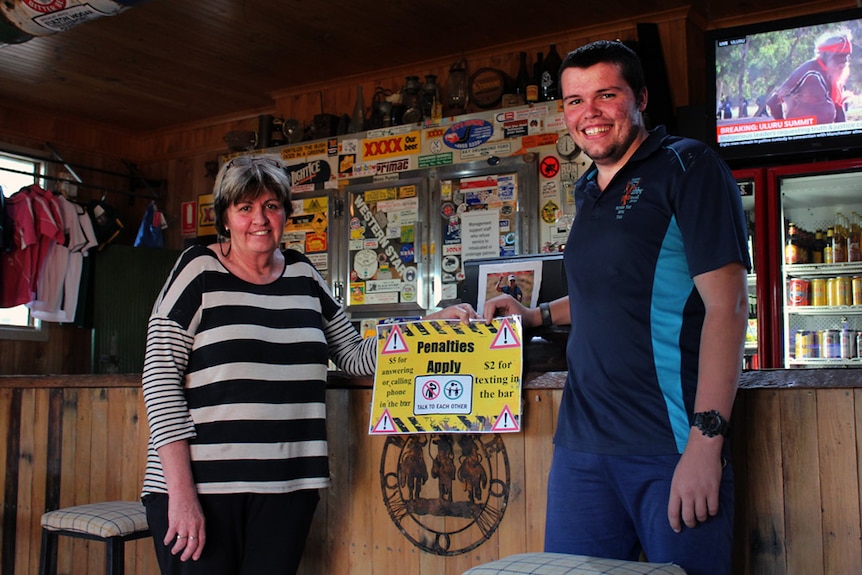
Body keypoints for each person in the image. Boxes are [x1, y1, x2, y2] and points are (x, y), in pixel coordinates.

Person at [483, 41, 749, 575]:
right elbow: (606, 293)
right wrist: (533, 315)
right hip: (582, 449)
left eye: (606, 94)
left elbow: (729, 306)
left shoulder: (687, 166)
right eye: (575, 100)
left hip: (667, 444)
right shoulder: (587, 188)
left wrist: (705, 442)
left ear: (641, 97)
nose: (590, 113)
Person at [140, 155, 476, 575]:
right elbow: (159, 381)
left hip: (288, 487)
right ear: (225, 218)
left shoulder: (302, 274)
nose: (259, 219)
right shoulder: (197, 271)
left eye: (271, 206)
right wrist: (181, 495)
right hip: (203, 489)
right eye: (245, 208)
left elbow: (354, 356)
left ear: (286, 213)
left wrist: (425, 328)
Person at [766, 31, 852, 123]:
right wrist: (785, 128)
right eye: (840, 56)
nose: (845, 60)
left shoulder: (834, 74)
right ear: (827, 54)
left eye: (847, 56)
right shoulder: (809, 70)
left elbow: (838, 109)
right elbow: (773, 102)